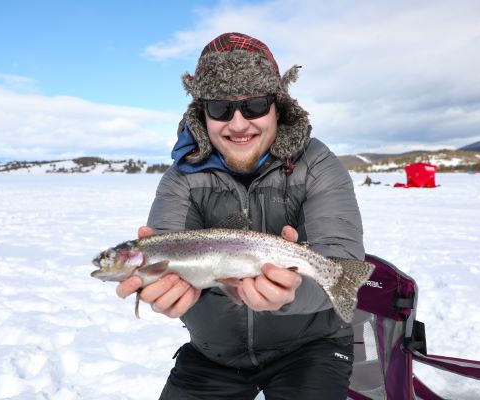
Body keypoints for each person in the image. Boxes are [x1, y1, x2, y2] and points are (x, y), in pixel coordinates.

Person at [116, 32, 365, 400]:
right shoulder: (180, 178)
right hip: (214, 352)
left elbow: (342, 262)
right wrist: (167, 290)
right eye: (219, 108)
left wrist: (289, 294)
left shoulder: (317, 164)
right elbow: (169, 254)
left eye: (254, 105)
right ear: (202, 113)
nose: (237, 124)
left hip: (313, 346)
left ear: (278, 106)